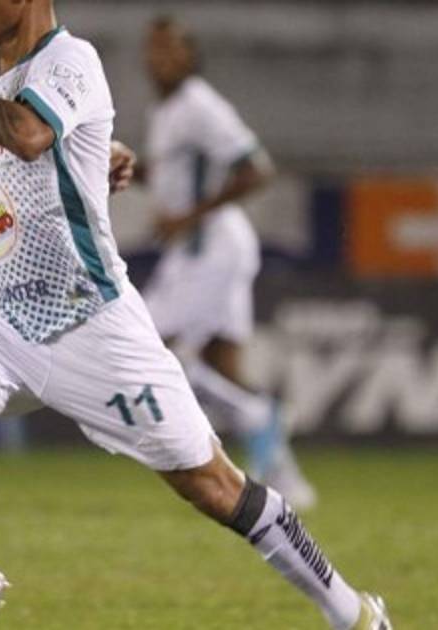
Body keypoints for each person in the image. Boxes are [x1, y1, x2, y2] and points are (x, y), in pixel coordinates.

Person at [0, 1, 391, 628]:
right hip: (10, 324)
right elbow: (42, 146)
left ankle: (354, 613)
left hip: (94, 325)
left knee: (214, 487)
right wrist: (97, 152)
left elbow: (29, 135)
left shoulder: (70, 59)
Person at [108, 15, 318, 509]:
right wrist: (126, 168)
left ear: (191, 54)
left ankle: (253, 414)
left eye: (170, 49)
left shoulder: (200, 104)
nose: (159, 58)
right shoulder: (168, 110)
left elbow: (256, 169)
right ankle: (287, 478)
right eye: (153, 49)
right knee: (222, 363)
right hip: (209, 249)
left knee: (148, 348)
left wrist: (188, 216)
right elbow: (173, 174)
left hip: (210, 249)